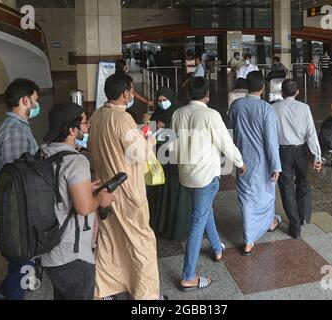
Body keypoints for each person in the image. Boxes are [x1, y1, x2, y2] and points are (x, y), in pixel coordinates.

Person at [89, 74, 163, 300]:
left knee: (110, 239)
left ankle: (106, 288)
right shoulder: (123, 119)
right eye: (131, 91)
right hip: (128, 191)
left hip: (105, 191)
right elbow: (139, 154)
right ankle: (146, 295)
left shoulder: (97, 115)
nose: (132, 95)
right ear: (125, 94)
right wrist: (150, 139)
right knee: (142, 242)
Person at [172, 77, 247, 291]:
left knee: (205, 213)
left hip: (186, 176)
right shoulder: (210, 115)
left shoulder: (178, 113)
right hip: (205, 177)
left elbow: (175, 143)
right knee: (197, 224)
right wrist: (240, 163)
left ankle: (216, 247)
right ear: (207, 94)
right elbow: (225, 143)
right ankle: (188, 276)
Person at [39, 103, 115, 300]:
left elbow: (55, 188)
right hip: (71, 253)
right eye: (84, 123)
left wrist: (81, 190)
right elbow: (83, 208)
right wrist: (100, 197)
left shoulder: (44, 152)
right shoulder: (76, 161)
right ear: (72, 130)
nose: (87, 127)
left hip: (48, 248)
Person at [0, 78, 41, 300]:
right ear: (25, 100)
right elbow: (15, 180)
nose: (37, 106)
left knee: (20, 258)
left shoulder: (15, 127)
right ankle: (6, 295)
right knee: (22, 256)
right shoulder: (15, 131)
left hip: (14, 206)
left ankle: (6, 293)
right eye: (35, 101)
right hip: (16, 208)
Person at [227, 71, 282, 256]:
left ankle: (249, 239)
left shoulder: (236, 105)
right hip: (262, 160)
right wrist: (276, 165)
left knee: (246, 197)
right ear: (262, 88)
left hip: (242, 159)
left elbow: (231, 130)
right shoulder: (266, 109)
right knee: (265, 194)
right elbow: (271, 140)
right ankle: (268, 223)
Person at [272, 79, 322, 239]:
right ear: (297, 92)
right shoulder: (304, 108)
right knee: (303, 182)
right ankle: (304, 218)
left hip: (282, 152)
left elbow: (270, 134)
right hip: (301, 151)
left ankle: (294, 226)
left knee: (286, 188)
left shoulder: (274, 108)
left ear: (281, 93)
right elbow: (311, 133)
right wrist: (316, 156)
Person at [146, 87, 192, 241]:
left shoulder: (178, 112)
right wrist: (155, 127)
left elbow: (183, 134)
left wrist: (165, 128)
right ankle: (161, 225)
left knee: (174, 194)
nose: (162, 103)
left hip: (174, 162)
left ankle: (176, 228)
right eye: (159, 100)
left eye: (165, 100)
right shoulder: (156, 114)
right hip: (161, 163)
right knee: (162, 193)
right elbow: (148, 132)